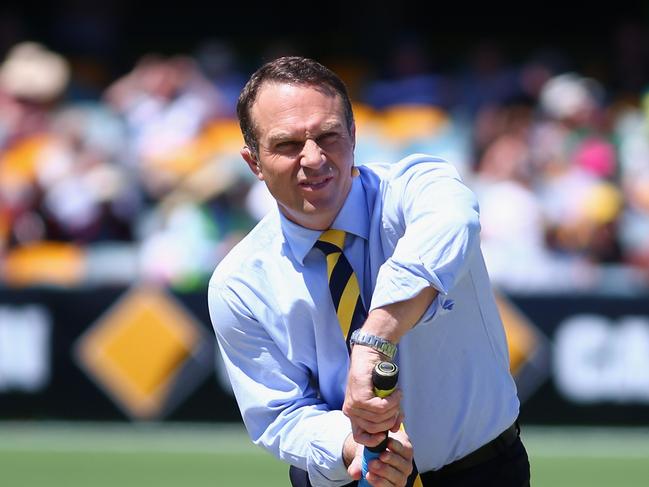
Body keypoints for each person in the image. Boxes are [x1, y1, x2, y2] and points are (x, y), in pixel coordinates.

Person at [208, 56, 530, 487]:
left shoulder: (416, 187)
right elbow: (279, 415)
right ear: (254, 162)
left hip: (482, 473)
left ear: (354, 136)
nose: (314, 157)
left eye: (328, 136)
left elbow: (455, 218)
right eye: (287, 145)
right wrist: (355, 447)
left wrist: (375, 340)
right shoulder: (239, 281)